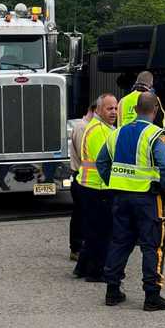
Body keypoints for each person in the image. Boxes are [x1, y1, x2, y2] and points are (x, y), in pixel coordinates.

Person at [97, 91, 165, 311]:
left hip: (121, 198)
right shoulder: (156, 134)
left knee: (120, 242)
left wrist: (115, 182)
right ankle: (152, 295)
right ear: (155, 110)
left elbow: (102, 162)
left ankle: (112, 291)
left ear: (135, 110)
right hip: (147, 199)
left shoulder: (117, 133)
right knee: (153, 246)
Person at [73, 93, 118, 282]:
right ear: (98, 109)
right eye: (110, 108)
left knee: (92, 231)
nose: (114, 112)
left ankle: (82, 267)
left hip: (90, 185)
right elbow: (105, 162)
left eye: (116, 108)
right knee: (103, 233)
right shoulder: (99, 130)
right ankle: (96, 272)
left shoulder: (104, 128)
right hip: (97, 187)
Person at [69, 103, 97, 261]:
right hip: (81, 176)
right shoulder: (82, 128)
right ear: (93, 110)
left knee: (82, 214)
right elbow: (84, 153)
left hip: (84, 176)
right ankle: (76, 248)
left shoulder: (87, 127)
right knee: (80, 214)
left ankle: (80, 247)